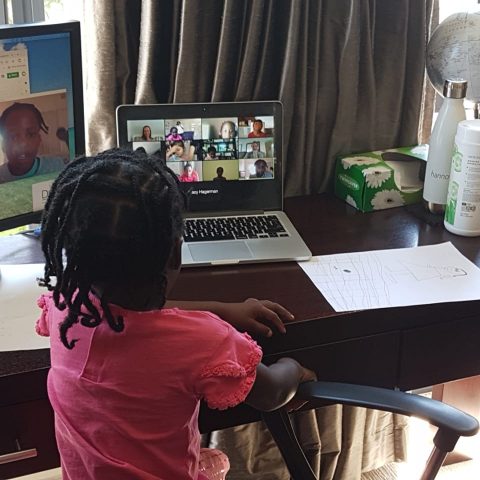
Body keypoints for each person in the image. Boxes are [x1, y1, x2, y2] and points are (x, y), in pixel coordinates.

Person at [36, 148, 315, 479]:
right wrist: (295, 369)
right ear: (175, 253)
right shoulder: (206, 341)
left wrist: (222, 310)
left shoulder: (63, 307)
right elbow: (272, 393)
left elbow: (136, 318)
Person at [0, 102, 67, 183]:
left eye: (30, 134)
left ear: (39, 139)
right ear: (3, 144)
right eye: (13, 136)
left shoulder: (58, 167)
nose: (23, 143)